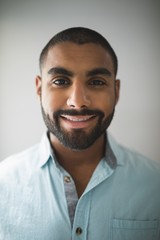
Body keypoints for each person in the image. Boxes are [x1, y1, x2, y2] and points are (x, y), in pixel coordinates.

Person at [0, 27, 160, 240]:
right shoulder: (4, 183)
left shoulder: (154, 184)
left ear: (116, 90)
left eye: (96, 82)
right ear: (39, 89)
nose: (77, 101)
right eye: (60, 81)